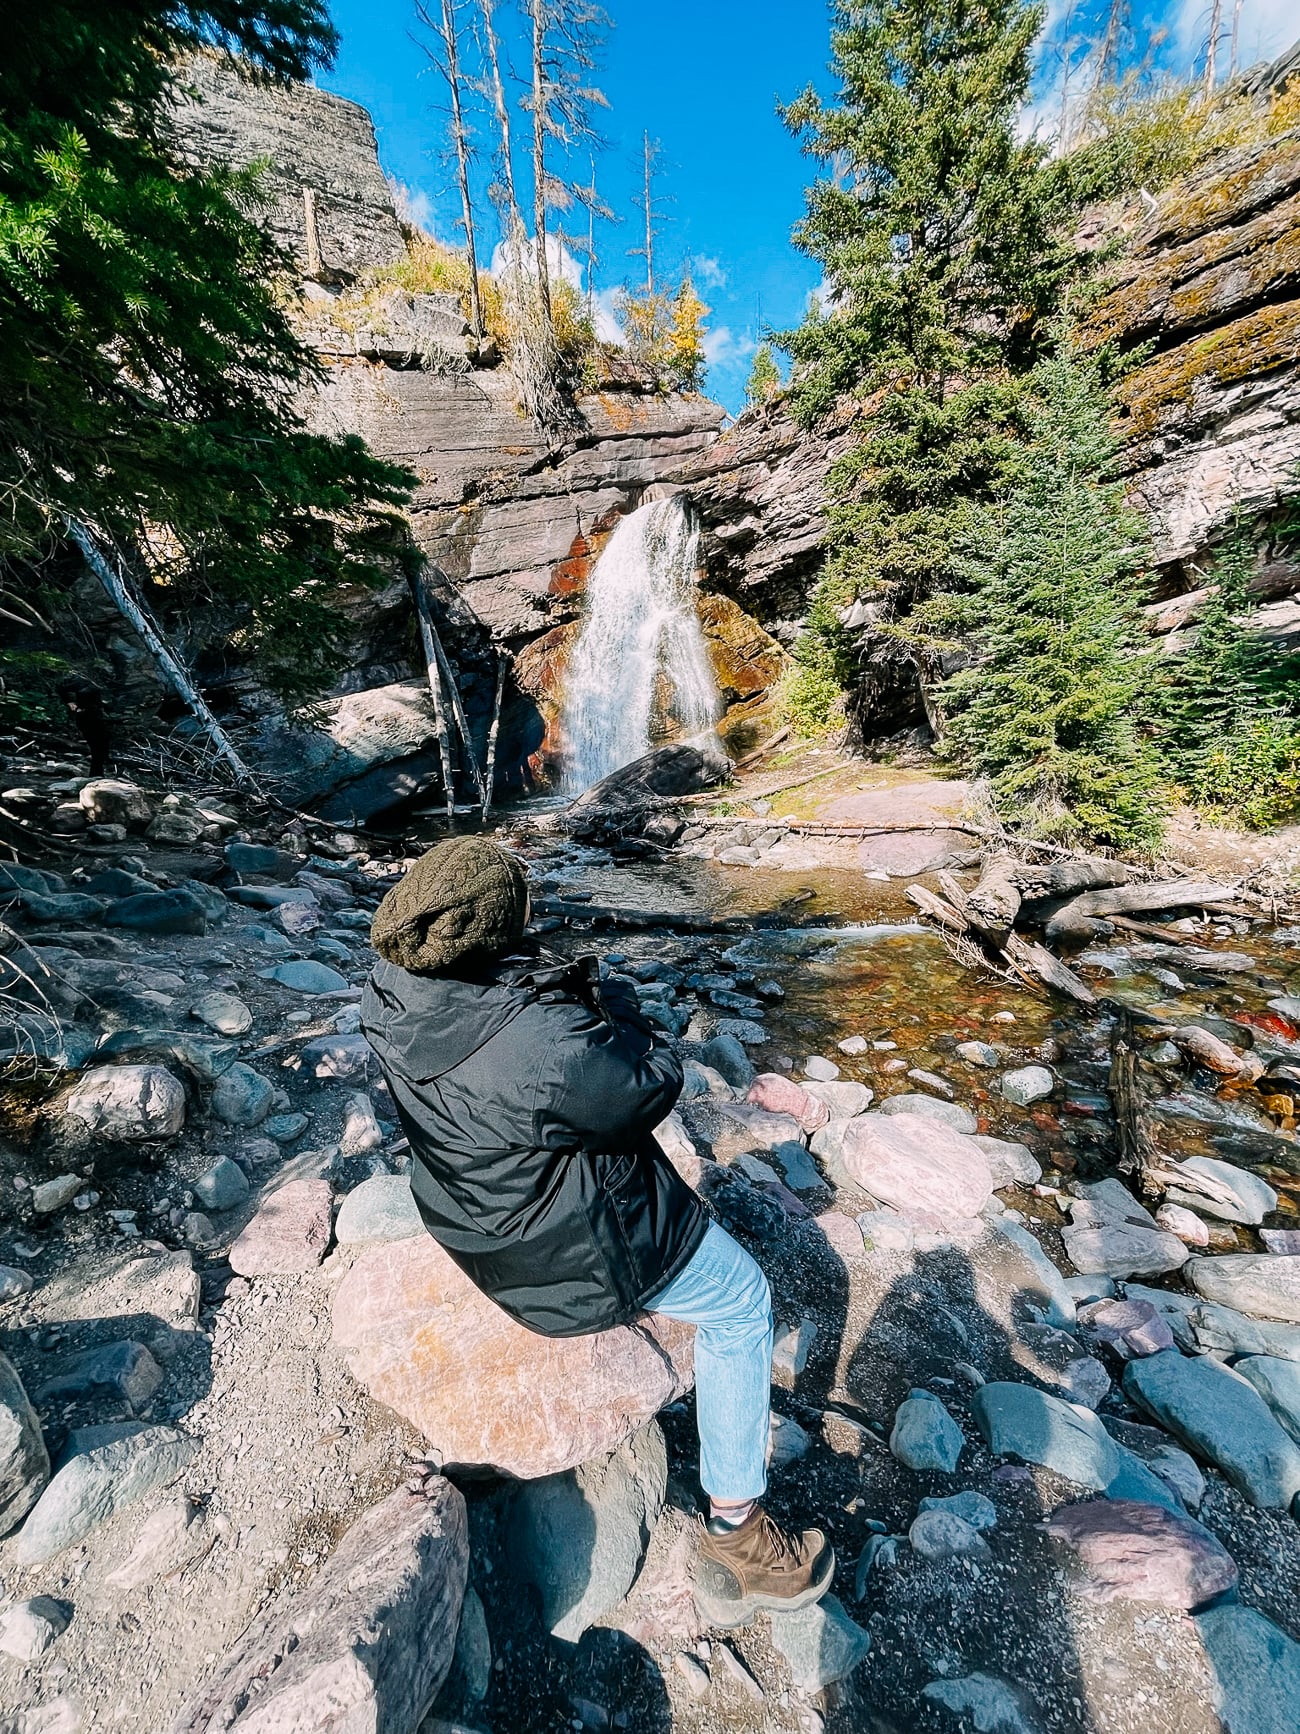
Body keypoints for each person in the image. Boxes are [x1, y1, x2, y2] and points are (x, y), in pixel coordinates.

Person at [361, 835, 834, 1624]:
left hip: (468, 1212)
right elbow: (649, 1084)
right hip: (565, 1253)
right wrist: (609, 1006)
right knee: (743, 1300)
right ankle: (740, 1535)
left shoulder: (392, 982)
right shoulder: (539, 1043)